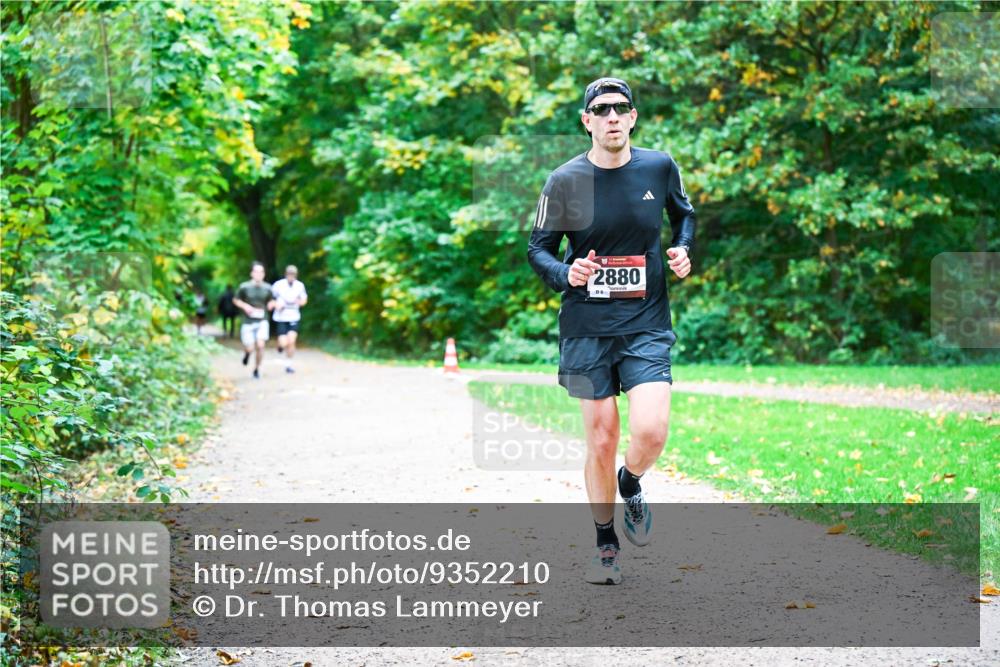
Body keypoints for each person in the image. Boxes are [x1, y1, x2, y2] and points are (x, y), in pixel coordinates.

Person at [526, 77, 695, 584]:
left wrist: (684, 251)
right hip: (585, 328)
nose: (613, 117)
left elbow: (684, 217)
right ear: (587, 120)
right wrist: (565, 273)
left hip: (646, 322)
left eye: (621, 108)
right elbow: (538, 248)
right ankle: (605, 541)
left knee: (650, 431)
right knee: (601, 439)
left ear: (634, 116)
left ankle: (632, 481)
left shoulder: (659, 166)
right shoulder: (564, 181)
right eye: (602, 110)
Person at [232, 262, 276, 379]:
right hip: (248, 321)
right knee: (250, 347)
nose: (258, 274)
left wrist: (272, 305)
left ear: (264, 274)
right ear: (252, 273)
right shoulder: (244, 287)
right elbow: (236, 300)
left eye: (261, 272)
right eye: (256, 271)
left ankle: (257, 369)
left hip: (262, 320)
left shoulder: (268, 288)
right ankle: (247, 354)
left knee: (261, 345)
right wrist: (245, 306)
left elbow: (272, 300)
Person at [270, 265, 308, 374]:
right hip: (281, 317)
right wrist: (276, 304)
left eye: (293, 274)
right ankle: (280, 346)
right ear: (286, 274)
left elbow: (304, 300)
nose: (291, 276)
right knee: (284, 342)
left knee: (291, 341)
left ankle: (289, 364)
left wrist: (299, 302)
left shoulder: (299, 286)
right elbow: (271, 298)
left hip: (293, 316)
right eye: (289, 274)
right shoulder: (278, 285)